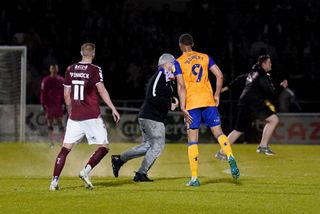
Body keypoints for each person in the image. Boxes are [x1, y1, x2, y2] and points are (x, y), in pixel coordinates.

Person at [49, 43, 120, 191]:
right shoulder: (95, 70)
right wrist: (113, 108)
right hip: (91, 115)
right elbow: (101, 90)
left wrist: (70, 110)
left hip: (75, 116)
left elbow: (66, 94)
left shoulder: (70, 69)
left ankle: (54, 182)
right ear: (93, 54)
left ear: (81, 52)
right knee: (104, 146)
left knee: (65, 149)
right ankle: (85, 171)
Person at [174, 33, 240, 187]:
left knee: (192, 140)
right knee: (219, 133)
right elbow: (220, 75)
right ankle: (229, 155)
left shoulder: (178, 62)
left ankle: (195, 178)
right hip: (208, 100)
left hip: (192, 103)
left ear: (180, 45)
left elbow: (181, 86)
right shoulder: (205, 57)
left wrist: (182, 107)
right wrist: (216, 95)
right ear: (193, 44)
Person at [111, 53, 179, 182]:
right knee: (158, 146)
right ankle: (141, 174)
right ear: (167, 64)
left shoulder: (168, 77)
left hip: (150, 116)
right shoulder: (161, 74)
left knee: (148, 146)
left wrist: (172, 100)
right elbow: (152, 95)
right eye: (173, 63)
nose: (175, 66)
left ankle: (119, 159)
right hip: (152, 117)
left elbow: (160, 94)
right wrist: (169, 104)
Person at [215, 54, 279, 161]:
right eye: (269, 62)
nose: (271, 64)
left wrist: (225, 89)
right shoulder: (261, 75)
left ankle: (263, 146)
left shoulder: (252, 73)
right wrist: (281, 86)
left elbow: (239, 79)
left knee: (272, 120)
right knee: (238, 130)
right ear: (263, 64)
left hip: (250, 104)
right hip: (252, 104)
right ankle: (222, 152)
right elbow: (271, 91)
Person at [40, 64, 65, 148]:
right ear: (50, 70)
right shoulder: (46, 80)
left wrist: (64, 104)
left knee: (60, 123)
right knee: (50, 124)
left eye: (55, 69)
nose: (54, 70)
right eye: (52, 69)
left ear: (57, 69)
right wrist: (43, 104)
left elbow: (63, 93)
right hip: (49, 105)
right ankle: (51, 143)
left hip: (58, 105)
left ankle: (63, 142)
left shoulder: (61, 80)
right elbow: (43, 93)